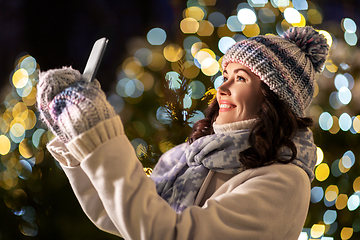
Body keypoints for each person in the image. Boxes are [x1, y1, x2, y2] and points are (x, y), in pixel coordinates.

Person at [36, 26, 329, 239]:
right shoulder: (191, 157)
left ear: (272, 97)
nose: (222, 88)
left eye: (240, 78)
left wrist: (101, 135)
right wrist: (76, 136)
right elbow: (121, 214)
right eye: (225, 75)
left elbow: (166, 233)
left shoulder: (283, 182)